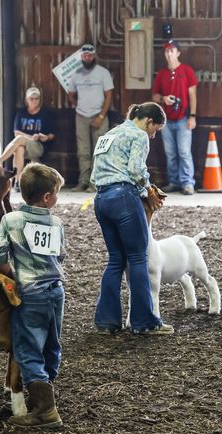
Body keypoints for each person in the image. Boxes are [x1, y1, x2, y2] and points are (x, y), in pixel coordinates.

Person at [90, 102, 174, 335]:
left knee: (115, 260)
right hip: (124, 199)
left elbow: (95, 173)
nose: (154, 135)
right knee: (138, 258)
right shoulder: (139, 135)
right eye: (155, 129)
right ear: (148, 121)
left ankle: (107, 321)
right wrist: (149, 190)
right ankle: (144, 322)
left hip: (101, 199)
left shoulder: (109, 134)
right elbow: (136, 170)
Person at [0, 163, 65, 428]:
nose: (56, 199)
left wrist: (11, 273)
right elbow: (61, 256)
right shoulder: (56, 222)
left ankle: (45, 409)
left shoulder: (11, 220)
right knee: (51, 343)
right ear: (47, 198)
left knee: (28, 348)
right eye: (56, 193)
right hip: (56, 291)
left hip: (29, 293)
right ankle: (46, 391)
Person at [151, 39, 198, 195]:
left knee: (184, 152)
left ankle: (187, 182)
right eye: (167, 51)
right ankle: (174, 181)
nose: (169, 54)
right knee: (170, 153)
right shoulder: (161, 74)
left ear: (178, 53)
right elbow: (154, 96)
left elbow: (193, 95)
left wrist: (192, 116)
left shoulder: (187, 71)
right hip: (166, 120)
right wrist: (163, 99)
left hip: (183, 118)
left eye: (172, 51)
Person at [68, 44, 113, 192]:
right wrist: (76, 105)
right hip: (81, 116)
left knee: (99, 150)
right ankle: (83, 181)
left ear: (94, 56)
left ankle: (95, 183)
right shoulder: (76, 74)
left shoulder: (103, 73)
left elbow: (109, 96)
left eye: (90, 55)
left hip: (99, 115)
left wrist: (101, 115)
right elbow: (71, 93)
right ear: (81, 57)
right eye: (84, 55)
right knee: (83, 151)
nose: (87, 57)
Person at [0, 86, 55, 187]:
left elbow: (52, 135)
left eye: (36, 98)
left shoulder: (45, 113)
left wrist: (45, 137)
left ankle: (0, 160)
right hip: (25, 145)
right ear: (27, 99)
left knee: (19, 140)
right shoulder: (21, 113)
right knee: (19, 149)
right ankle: (18, 181)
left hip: (38, 147)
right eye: (31, 99)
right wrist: (30, 137)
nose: (34, 101)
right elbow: (16, 132)